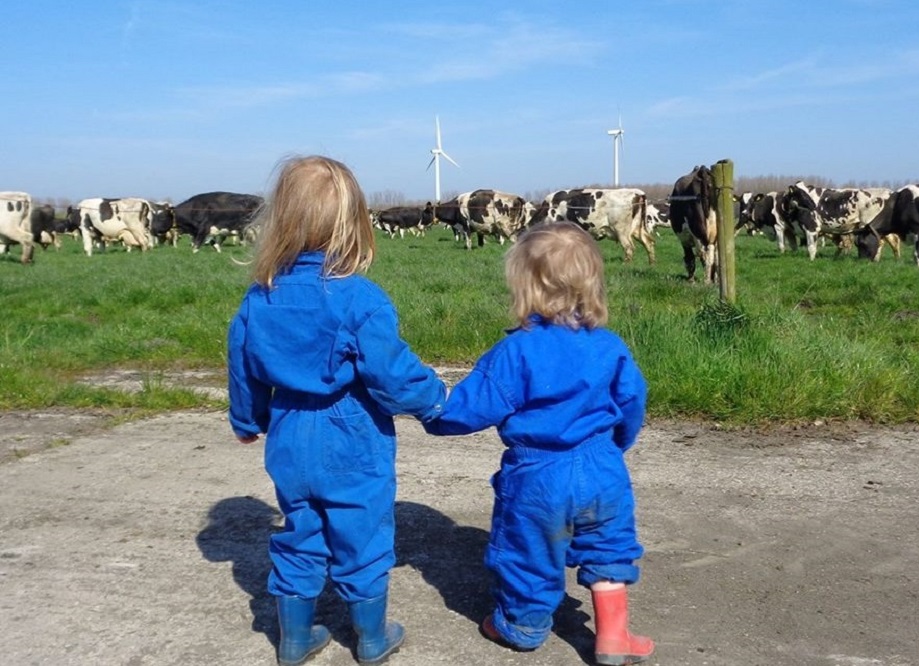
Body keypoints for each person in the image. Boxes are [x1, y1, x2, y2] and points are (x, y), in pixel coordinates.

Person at [227, 155, 446, 666]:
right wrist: (433, 399)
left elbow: (242, 364)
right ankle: (371, 639)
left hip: (289, 432)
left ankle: (295, 640)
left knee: (300, 532)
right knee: (361, 531)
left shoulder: (259, 298)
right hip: (352, 434)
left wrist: (248, 419)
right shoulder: (360, 300)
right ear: (354, 225)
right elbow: (392, 374)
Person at [424, 221, 655, 665]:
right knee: (609, 548)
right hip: (604, 469)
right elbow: (631, 402)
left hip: (538, 475)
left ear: (525, 288)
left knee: (527, 550)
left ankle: (523, 626)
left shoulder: (516, 352)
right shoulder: (609, 347)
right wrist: (615, 447)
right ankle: (612, 637)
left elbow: (469, 409)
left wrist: (434, 414)